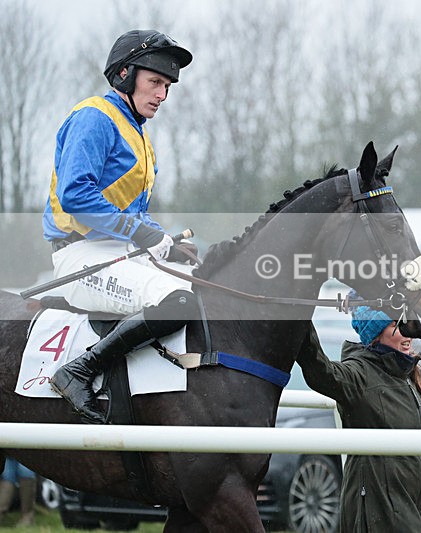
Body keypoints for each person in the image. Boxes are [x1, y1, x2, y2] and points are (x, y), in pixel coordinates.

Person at [42, 30, 199, 424]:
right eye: (156, 82)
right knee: (180, 300)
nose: (163, 95)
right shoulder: (95, 117)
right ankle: (78, 370)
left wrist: (163, 240)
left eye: (167, 86)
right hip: (78, 256)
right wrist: (139, 233)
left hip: (119, 254)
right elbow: (76, 195)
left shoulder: (140, 136)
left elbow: (135, 212)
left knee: (205, 285)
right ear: (125, 75)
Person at [296, 296, 421, 532]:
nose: (409, 333)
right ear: (376, 332)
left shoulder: (408, 376)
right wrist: (299, 315)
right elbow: (319, 370)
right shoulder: (358, 374)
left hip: (415, 505)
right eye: (398, 325)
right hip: (376, 508)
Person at [0, 459, 36, 527]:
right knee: (7, 475)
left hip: (27, 452)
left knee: (25, 472)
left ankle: (27, 517)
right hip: (10, 451)